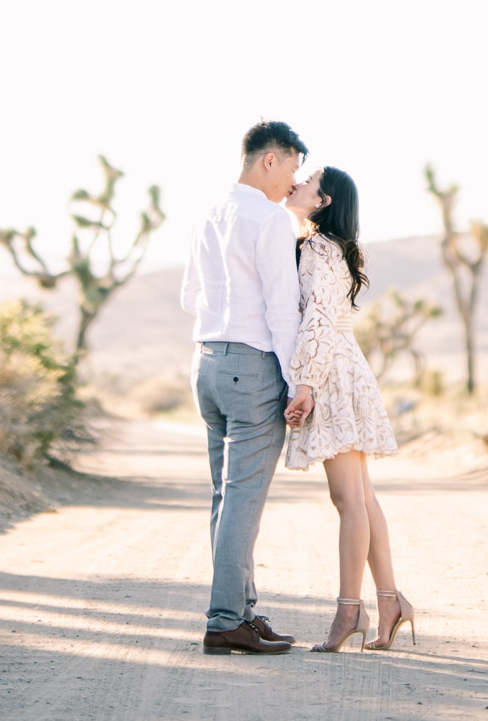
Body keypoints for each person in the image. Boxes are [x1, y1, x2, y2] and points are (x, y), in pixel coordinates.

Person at [181, 120, 312, 655]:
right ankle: (225, 619)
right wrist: (295, 380)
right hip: (252, 365)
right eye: (293, 169)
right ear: (270, 160)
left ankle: (243, 611)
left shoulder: (211, 213)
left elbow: (191, 295)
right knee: (242, 498)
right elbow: (283, 309)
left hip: (207, 363)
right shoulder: (270, 219)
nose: (292, 183)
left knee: (224, 496)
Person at [284, 166, 415, 653]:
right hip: (347, 366)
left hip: (332, 374)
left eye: (309, 181)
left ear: (322, 201)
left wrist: (306, 383)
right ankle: (389, 601)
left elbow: (316, 319)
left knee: (349, 501)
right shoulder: (334, 247)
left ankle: (349, 610)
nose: (298, 182)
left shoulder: (318, 248)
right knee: (362, 497)